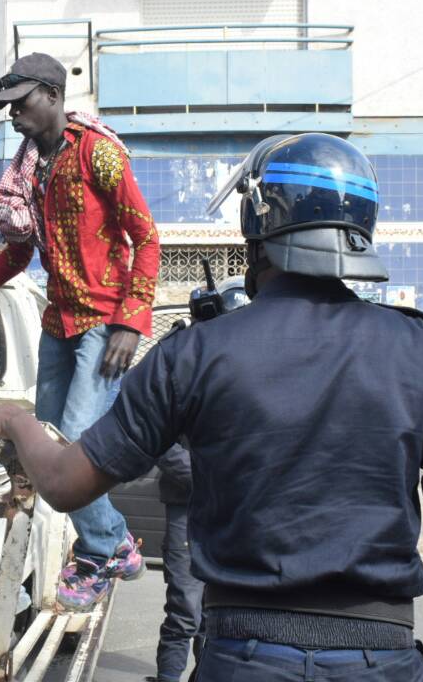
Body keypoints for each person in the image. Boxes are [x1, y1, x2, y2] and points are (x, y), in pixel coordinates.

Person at [0, 134, 423, 681]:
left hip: (243, 657)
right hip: (382, 659)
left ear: (258, 226)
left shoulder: (194, 353)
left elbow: (64, 483)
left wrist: (18, 420)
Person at [0, 53, 159, 610]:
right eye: (8, 108)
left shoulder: (99, 154)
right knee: (44, 445)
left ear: (50, 94)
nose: (14, 116)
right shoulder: (29, 168)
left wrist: (131, 322)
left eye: (20, 104)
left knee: (69, 445)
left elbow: (146, 237)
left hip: (103, 327)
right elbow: (20, 253)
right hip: (57, 324)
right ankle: (110, 542)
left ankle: (104, 545)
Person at [146, 277, 249, 682]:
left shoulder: (248, 373)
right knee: (184, 609)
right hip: (188, 509)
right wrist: (211, 476)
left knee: (218, 612)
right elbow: (160, 438)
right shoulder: (181, 365)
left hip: (233, 513)